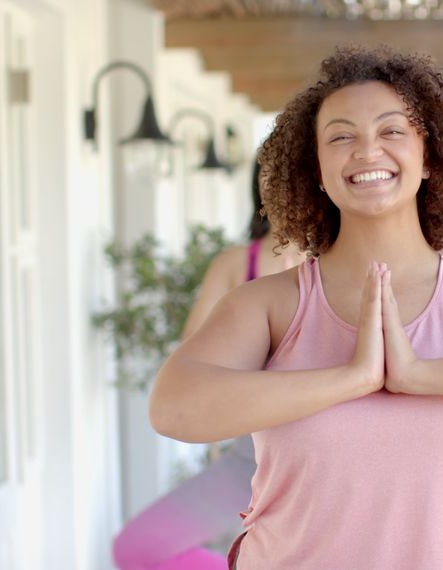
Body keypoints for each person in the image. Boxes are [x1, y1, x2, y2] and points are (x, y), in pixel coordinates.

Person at [148, 47, 443, 569]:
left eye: (392, 131)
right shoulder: (269, 304)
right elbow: (173, 407)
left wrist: (418, 375)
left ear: (430, 156)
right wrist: (352, 378)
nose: (367, 150)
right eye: (340, 136)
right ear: (317, 170)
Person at [112, 160, 302, 570]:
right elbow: (191, 370)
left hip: (324, 464)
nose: (287, 183)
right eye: (273, 172)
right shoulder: (237, 263)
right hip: (248, 458)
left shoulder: (344, 261)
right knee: (137, 548)